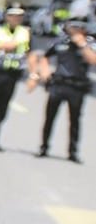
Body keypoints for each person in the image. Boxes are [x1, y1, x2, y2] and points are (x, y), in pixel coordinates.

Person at [33, 16, 96, 164]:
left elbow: (93, 60)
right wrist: (44, 71)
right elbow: (45, 57)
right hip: (59, 84)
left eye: (78, 27)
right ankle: (44, 147)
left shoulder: (89, 43)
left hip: (77, 86)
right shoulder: (60, 42)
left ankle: (73, 152)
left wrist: (81, 44)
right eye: (72, 27)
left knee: (74, 120)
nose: (74, 30)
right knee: (50, 117)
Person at [0, 4, 34, 149]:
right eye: (13, 16)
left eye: (19, 16)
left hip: (12, 74)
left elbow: (30, 54)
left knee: (2, 107)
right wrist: (0, 47)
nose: (16, 19)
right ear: (6, 17)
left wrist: (33, 75)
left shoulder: (25, 33)